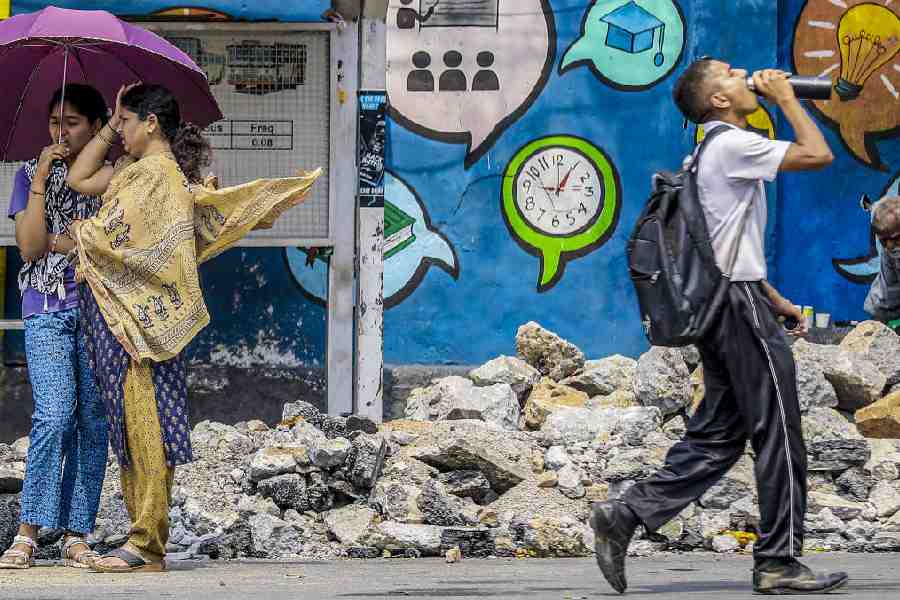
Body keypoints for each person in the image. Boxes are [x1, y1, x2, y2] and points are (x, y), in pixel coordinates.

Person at [590, 59, 849, 595]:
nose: (748, 75)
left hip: (727, 301)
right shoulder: (731, 145)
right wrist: (786, 97)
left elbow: (722, 242)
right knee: (779, 431)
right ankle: (779, 560)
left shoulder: (708, 151)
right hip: (736, 306)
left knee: (719, 435)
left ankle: (626, 513)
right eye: (731, 74)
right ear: (719, 101)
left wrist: (772, 297)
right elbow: (819, 153)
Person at [65, 83, 320, 573]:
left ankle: (145, 545)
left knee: (147, 429)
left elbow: (116, 236)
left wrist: (79, 233)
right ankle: (143, 541)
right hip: (126, 321)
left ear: (151, 123)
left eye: (128, 123)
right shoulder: (143, 173)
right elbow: (80, 179)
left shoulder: (157, 177)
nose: (122, 134)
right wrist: (117, 118)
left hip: (138, 326)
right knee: (131, 428)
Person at [0, 85, 110, 570]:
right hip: (45, 307)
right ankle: (28, 531)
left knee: (93, 421)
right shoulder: (28, 174)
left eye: (71, 123)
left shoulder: (112, 178)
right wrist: (43, 179)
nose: (59, 132)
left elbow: (108, 244)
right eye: (53, 123)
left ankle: (75, 532)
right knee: (55, 415)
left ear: (96, 126)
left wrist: (66, 243)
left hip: (99, 312)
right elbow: (29, 247)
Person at [864, 196, 900, 327]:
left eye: (896, 238)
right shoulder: (894, 250)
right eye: (883, 241)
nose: (889, 246)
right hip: (883, 310)